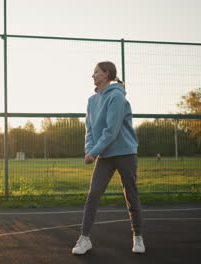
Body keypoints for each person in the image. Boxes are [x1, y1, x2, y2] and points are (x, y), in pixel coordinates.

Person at [72, 61, 145, 255]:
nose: (93, 75)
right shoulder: (91, 100)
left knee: (131, 194)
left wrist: (93, 152)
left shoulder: (117, 97)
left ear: (106, 74)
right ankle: (84, 239)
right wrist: (90, 149)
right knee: (93, 194)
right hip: (105, 154)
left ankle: (138, 237)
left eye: (96, 72)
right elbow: (90, 130)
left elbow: (111, 131)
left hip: (125, 152)